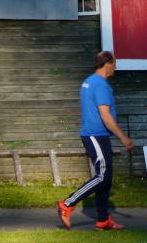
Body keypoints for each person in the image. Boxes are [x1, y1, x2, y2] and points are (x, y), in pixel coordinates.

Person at [56, 51, 134, 231]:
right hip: (95, 135)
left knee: (106, 179)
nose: (116, 67)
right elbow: (105, 115)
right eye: (115, 63)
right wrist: (124, 138)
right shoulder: (101, 85)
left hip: (96, 135)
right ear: (108, 64)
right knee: (101, 176)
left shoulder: (88, 81)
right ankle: (67, 204)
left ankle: (103, 219)